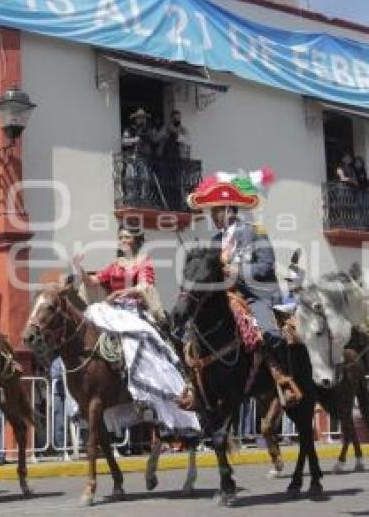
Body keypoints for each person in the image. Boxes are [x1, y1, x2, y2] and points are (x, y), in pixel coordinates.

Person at [186, 170, 302, 406]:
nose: (214, 216)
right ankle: (194, 389)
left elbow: (266, 266)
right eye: (212, 212)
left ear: (229, 209)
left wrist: (238, 273)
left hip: (254, 295)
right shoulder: (215, 242)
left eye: (216, 211)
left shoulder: (254, 231)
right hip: (224, 296)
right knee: (192, 330)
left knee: (267, 333)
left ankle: (283, 379)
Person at [72, 224, 199, 437]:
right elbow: (92, 282)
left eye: (126, 236)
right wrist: (79, 267)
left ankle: (142, 391)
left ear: (135, 240)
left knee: (136, 342)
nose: (122, 240)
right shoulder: (115, 265)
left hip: (133, 310)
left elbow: (144, 288)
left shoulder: (144, 262)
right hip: (113, 310)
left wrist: (121, 292)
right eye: (120, 236)